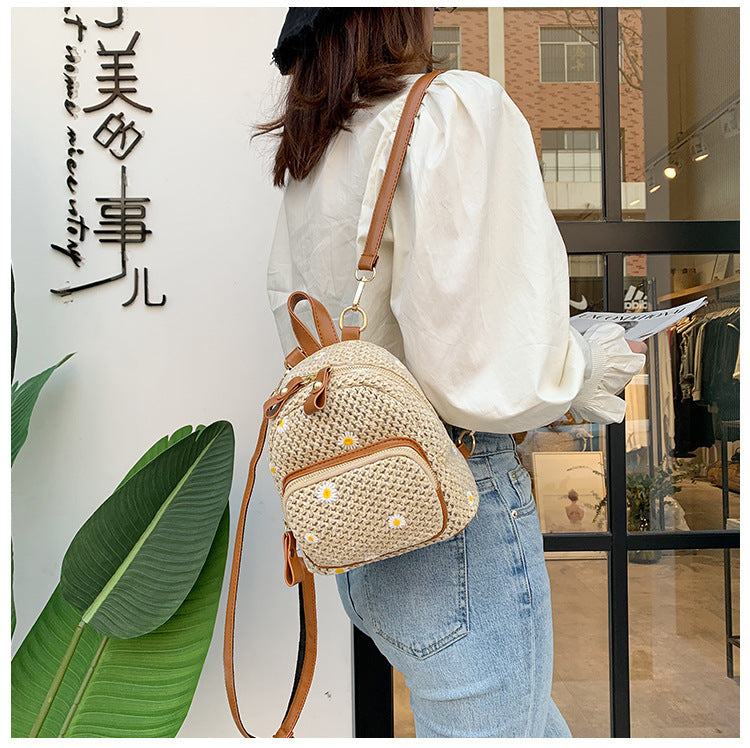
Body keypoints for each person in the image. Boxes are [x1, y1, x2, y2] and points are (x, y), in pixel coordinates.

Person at [257, 7, 646, 738]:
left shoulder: (317, 152)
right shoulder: (448, 111)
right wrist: (590, 360)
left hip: (361, 518)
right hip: (451, 506)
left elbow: (307, 320)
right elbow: (485, 367)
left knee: (525, 725)